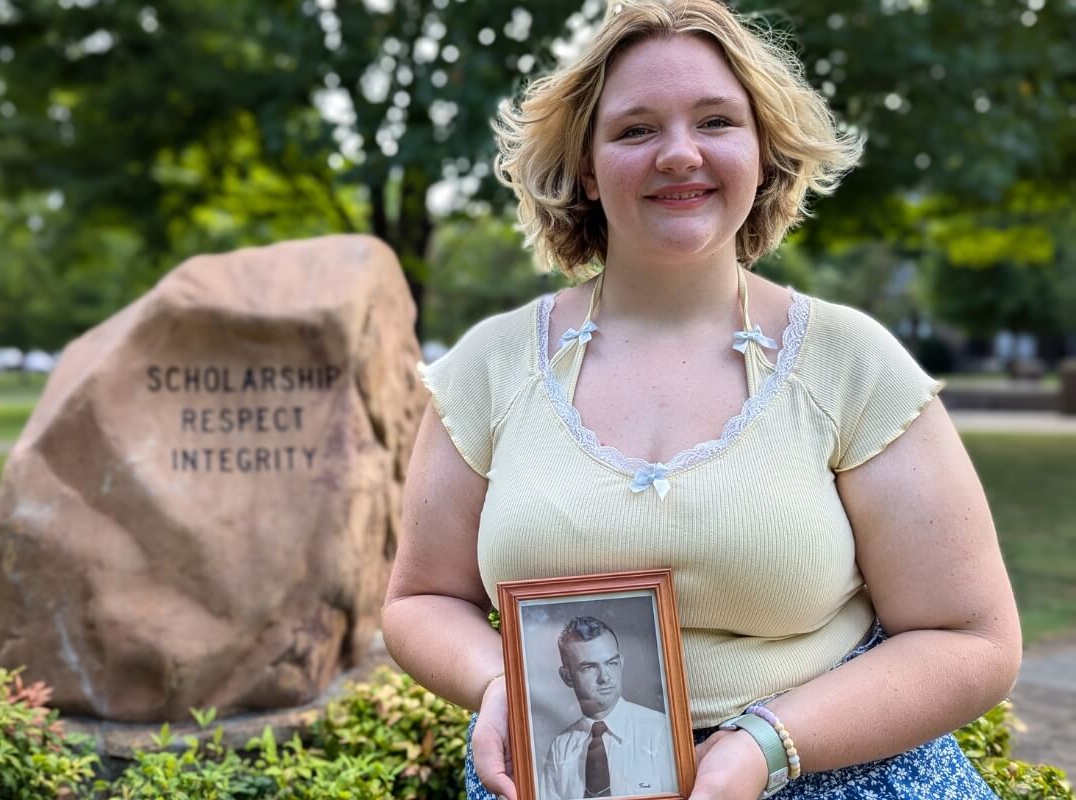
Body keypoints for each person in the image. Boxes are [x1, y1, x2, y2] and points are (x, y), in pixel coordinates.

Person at [382, 1, 1021, 798]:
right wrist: (504, 684)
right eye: (635, 129)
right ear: (587, 168)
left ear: (761, 152)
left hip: (837, 772)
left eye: (716, 121)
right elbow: (423, 598)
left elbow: (971, 637)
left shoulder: (852, 363)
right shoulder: (490, 366)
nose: (680, 153)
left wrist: (765, 746)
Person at [541, 616, 676, 800]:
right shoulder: (560, 747)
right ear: (567, 676)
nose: (605, 677)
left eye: (611, 663)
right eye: (589, 668)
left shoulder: (660, 731)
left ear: (621, 663)